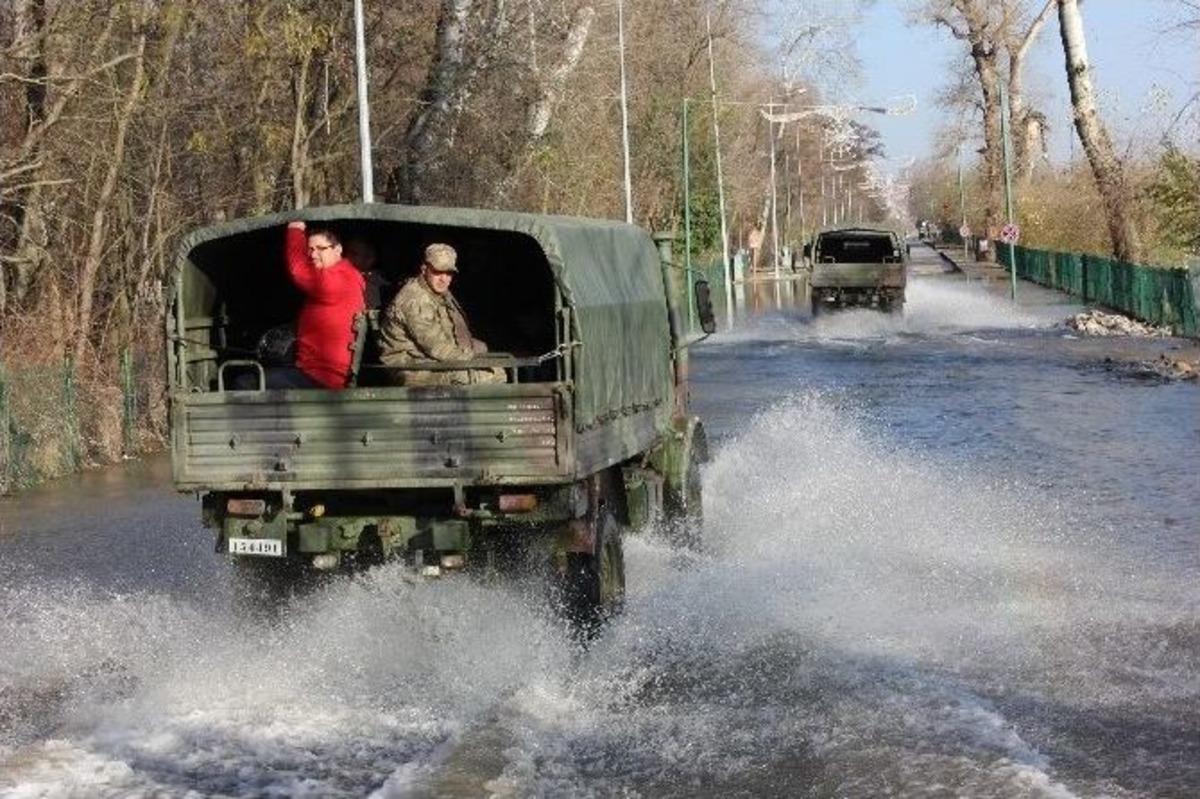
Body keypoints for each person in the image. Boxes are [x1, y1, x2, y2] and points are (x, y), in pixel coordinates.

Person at [376, 243, 504, 386]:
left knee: (494, 366)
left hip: (427, 360)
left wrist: (479, 354)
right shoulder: (416, 299)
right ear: (424, 269)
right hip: (410, 367)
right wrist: (473, 360)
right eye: (437, 272)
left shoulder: (438, 292)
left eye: (449, 273)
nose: (444, 279)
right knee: (489, 376)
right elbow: (438, 348)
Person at [265, 220, 365, 389]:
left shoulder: (339, 280)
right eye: (310, 249)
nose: (313, 254)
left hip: (322, 376)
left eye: (321, 248)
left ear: (338, 249)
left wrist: (295, 230)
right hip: (313, 369)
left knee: (245, 382)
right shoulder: (347, 275)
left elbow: (298, 270)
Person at [344, 237, 389, 309]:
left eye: (354, 253)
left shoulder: (373, 282)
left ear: (369, 259)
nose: (347, 256)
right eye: (347, 252)